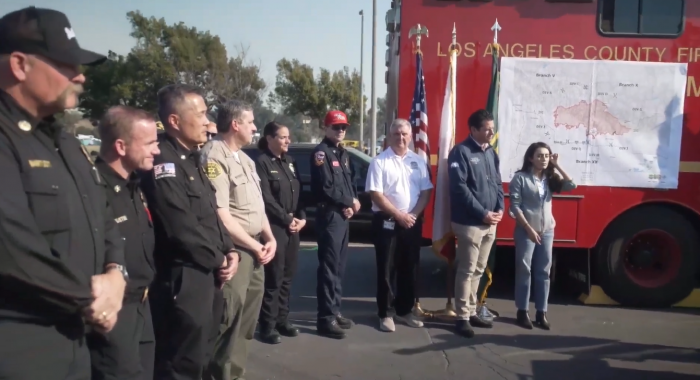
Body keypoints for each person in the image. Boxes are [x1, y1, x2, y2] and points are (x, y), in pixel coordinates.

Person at [0, 6, 127, 379]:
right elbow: (11, 248)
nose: (80, 76)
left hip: (75, 339)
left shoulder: (64, 141)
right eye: (66, 65)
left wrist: (116, 272)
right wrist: (94, 300)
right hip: (21, 349)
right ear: (21, 65)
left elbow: (102, 211)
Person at [141, 84, 238, 380]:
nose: (208, 122)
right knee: (181, 362)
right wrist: (218, 258)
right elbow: (180, 226)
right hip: (184, 276)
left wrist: (229, 249)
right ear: (175, 121)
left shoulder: (192, 159)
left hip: (208, 272)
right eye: (201, 114)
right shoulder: (164, 163)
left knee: (203, 356)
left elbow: (210, 214)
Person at [202, 99, 275, 380]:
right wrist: (254, 245)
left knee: (246, 325)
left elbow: (257, 206)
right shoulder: (214, 156)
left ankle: (234, 374)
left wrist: (268, 237)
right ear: (235, 124)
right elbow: (221, 213)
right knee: (227, 322)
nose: (255, 127)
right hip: (237, 251)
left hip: (256, 249)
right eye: (250, 122)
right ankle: (217, 375)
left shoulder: (245, 159)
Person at [88, 106, 160, 380]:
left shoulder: (133, 185)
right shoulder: (95, 189)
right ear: (121, 145)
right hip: (115, 312)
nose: (156, 150)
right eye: (150, 143)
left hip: (142, 306)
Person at [366, 119, 432, 332]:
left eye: (404, 134)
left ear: (411, 136)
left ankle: (404, 311)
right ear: (389, 136)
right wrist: (398, 214)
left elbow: (425, 192)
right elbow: (375, 194)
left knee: (409, 268)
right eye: (396, 134)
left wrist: (412, 214)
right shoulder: (379, 161)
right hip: (387, 223)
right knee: (387, 269)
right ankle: (385, 313)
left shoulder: (418, 161)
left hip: (412, 223)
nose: (400, 138)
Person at [447, 109, 504, 338]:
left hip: (491, 222)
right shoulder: (460, 152)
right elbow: (460, 189)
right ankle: (461, 317)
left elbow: (497, 183)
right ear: (473, 130)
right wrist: (482, 214)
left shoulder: (490, 153)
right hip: (470, 223)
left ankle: (471, 311)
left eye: (492, 127)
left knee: (479, 269)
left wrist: (499, 208)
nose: (491, 132)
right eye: (487, 129)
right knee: (467, 269)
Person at [509, 142, 576, 330]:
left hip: (547, 230)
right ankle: (522, 311)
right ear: (530, 158)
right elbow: (515, 206)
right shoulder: (520, 178)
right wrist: (528, 228)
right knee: (524, 270)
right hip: (526, 230)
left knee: (544, 271)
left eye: (546, 156)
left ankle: (542, 312)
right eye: (539, 156)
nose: (544, 159)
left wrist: (557, 165)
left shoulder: (549, 178)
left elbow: (571, 185)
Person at [310, 110, 360, 339]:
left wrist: (353, 202)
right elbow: (327, 187)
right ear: (326, 127)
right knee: (329, 269)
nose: (340, 131)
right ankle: (325, 318)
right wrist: (348, 202)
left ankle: (335, 310)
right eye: (336, 127)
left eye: (343, 127)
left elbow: (349, 182)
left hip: (342, 216)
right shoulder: (321, 153)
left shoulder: (343, 153)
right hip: (330, 217)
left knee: (339, 268)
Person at [255, 121, 306, 344]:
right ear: (270, 139)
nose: (288, 141)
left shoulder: (290, 162)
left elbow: (300, 194)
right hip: (274, 226)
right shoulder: (262, 163)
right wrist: (286, 219)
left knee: (287, 276)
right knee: (273, 278)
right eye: (283, 137)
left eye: (288, 137)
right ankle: (266, 325)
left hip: (293, 226)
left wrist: (301, 219)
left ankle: (282, 320)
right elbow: (266, 199)